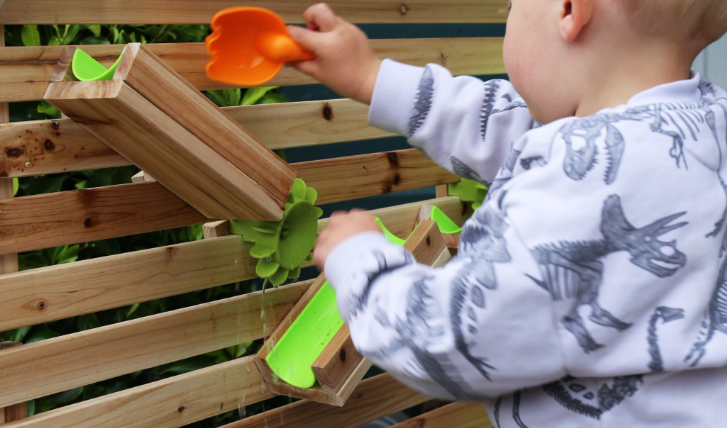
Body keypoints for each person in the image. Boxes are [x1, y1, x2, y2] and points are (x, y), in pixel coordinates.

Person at [287, 1, 727, 426]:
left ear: (569, 10)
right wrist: (371, 78)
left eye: (511, 6)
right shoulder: (698, 125)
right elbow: (522, 131)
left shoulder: (591, 190)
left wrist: (363, 262)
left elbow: (454, 339)